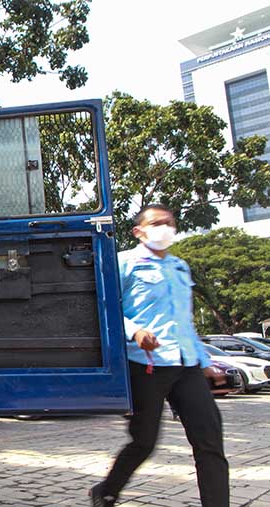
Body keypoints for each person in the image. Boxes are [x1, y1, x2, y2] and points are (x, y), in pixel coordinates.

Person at [90, 204, 229, 507]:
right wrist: (135, 331)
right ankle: (106, 489)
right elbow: (105, 306)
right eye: (156, 223)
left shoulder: (180, 266)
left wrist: (206, 363)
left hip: (186, 365)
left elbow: (185, 321)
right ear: (138, 231)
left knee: (210, 441)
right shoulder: (123, 263)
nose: (164, 228)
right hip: (145, 365)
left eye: (169, 222)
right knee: (144, 442)